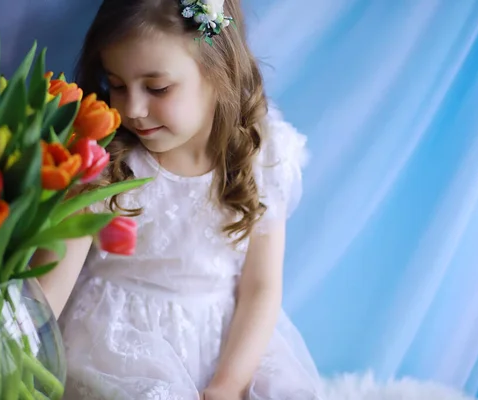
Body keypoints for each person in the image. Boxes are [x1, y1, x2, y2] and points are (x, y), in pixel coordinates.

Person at [35, 0, 325, 398]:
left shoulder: (262, 155)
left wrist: (228, 384)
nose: (132, 109)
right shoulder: (106, 163)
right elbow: (46, 293)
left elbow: (261, 287)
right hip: (120, 342)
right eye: (116, 85)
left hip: (227, 340)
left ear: (217, 72)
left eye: (157, 88)